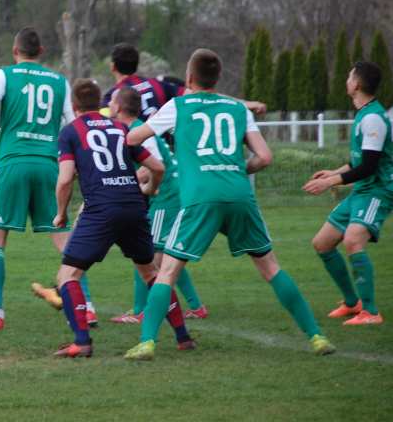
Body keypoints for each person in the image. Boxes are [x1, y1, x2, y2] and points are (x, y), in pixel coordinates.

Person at [123, 48, 334, 360]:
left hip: (200, 198)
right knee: (271, 268)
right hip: (238, 194)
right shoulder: (237, 108)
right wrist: (237, 170)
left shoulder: (178, 105)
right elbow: (264, 157)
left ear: (190, 77)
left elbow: (133, 138)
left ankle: (147, 342)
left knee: (166, 271)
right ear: (218, 78)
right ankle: (317, 336)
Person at [42, 80, 196, 358]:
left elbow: (64, 180)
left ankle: (82, 342)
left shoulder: (70, 132)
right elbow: (157, 167)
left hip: (101, 208)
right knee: (151, 272)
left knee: (67, 275)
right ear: (99, 103)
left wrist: (61, 213)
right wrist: (148, 190)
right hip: (133, 206)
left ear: (74, 106)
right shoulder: (121, 127)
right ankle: (183, 337)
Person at [0, 27, 99, 331]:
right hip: (49, 166)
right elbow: (73, 122)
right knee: (65, 240)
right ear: (41, 52)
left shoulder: (4, 74)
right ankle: (87, 307)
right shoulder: (58, 81)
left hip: (13, 163)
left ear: (15, 51)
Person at [108, 87, 207, 324]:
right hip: (169, 195)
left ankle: (141, 311)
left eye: (112, 101)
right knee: (167, 255)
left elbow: (155, 165)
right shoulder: (135, 128)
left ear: (119, 107)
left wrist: (131, 187)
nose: (109, 104)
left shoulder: (137, 131)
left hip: (167, 196)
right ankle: (196, 306)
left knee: (144, 252)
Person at [303, 61, 391, 325]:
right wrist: (333, 173)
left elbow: (369, 166)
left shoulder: (374, 117)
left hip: (378, 191)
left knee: (353, 240)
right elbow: (358, 161)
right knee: (322, 243)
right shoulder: (364, 114)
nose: (346, 80)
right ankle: (353, 303)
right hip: (363, 189)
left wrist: (332, 183)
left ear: (357, 84)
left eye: (349, 76)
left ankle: (371, 312)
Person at [100, 44, 267, 120]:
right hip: (165, 156)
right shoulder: (157, 85)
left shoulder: (112, 96)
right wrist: (246, 103)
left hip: (136, 158)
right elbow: (203, 95)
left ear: (112, 66)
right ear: (136, 64)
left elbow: (104, 123)